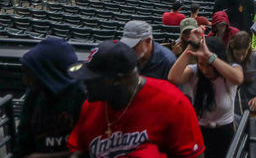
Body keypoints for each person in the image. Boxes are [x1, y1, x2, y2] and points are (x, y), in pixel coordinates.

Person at [67, 40, 205, 158]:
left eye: (92, 79)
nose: (84, 83)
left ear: (117, 80)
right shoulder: (91, 105)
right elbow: (79, 150)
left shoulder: (173, 103)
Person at [168, 30, 243, 158]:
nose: (205, 70)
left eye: (209, 65)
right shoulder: (194, 72)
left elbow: (238, 78)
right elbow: (173, 77)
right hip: (200, 130)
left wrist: (210, 57)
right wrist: (191, 46)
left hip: (224, 130)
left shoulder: (230, 70)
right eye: (201, 64)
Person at [15, 37, 85, 158]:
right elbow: (23, 141)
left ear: (49, 73)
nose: (25, 80)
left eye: (30, 74)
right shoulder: (33, 94)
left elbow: (87, 149)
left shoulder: (83, 96)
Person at [228, 32, 256, 128]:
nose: (241, 57)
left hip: (252, 100)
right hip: (233, 103)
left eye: (243, 54)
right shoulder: (227, 60)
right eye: (237, 54)